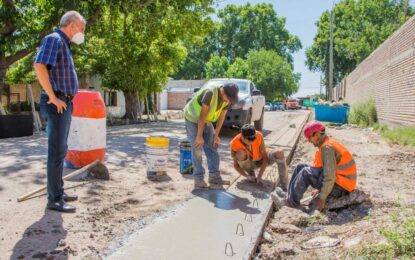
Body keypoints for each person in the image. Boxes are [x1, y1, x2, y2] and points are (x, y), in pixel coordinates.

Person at [34, 11, 86, 213]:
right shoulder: (54, 40)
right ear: (72, 25)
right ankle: (54, 199)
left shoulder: (64, 43)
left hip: (63, 103)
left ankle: (58, 191)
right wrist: (53, 97)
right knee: (56, 152)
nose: (82, 33)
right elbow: (39, 66)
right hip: (56, 102)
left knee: (60, 150)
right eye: (81, 28)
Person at [272, 121, 357, 211]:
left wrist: (322, 197)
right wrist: (319, 189)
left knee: (306, 172)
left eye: (309, 137)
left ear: (317, 135)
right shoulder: (327, 143)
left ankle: (291, 202)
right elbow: (327, 170)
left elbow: (330, 176)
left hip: (341, 188)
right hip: (338, 183)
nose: (308, 141)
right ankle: (289, 196)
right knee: (300, 166)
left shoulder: (327, 148)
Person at [183, 83, 239, 188]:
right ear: (222, 91)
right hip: (192, 118)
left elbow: (222, 116)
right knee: (197, 148)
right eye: (228, 97)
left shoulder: (227, 100)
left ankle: (214, 177)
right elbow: (202, 115)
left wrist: (216, 135)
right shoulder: (209, 93)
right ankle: (198, 179)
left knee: (213, 146)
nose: (229, 100)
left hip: (206, 120)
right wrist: (199, 136)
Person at [230, 124, 288, 189]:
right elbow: (235, 165)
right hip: (248, 164)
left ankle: (284, 187)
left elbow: (265, 158)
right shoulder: (234, 143)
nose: (252, 141)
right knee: (240, 153)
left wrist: (260, 176)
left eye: (253, 139)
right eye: (249, 140)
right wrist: (246, 176)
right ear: (243, 137)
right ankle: (250, 173)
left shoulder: (258, 135)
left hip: (261, 160)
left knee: (280, 153)